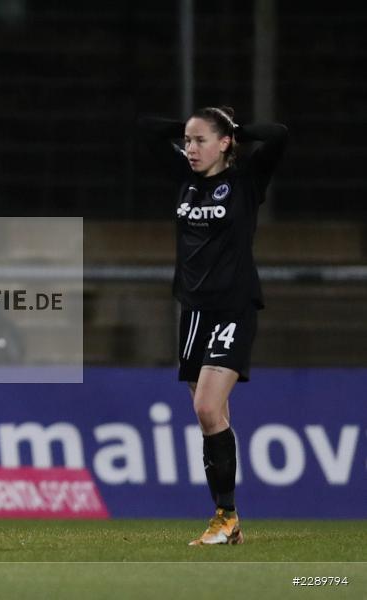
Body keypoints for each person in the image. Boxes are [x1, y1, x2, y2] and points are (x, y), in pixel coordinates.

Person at [137, 106, 288, 545]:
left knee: (206, 407)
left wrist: (233, 127)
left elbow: (278, 134)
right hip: (194, 312)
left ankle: (225, 516)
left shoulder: (245, 182)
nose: (190, 148)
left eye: (201, 140)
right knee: (212, 417)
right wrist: (192, 122)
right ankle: (228, 521)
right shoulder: (183, 179)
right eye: (186, 140)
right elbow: (146, 127)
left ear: (226, 144)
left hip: (233, 308)